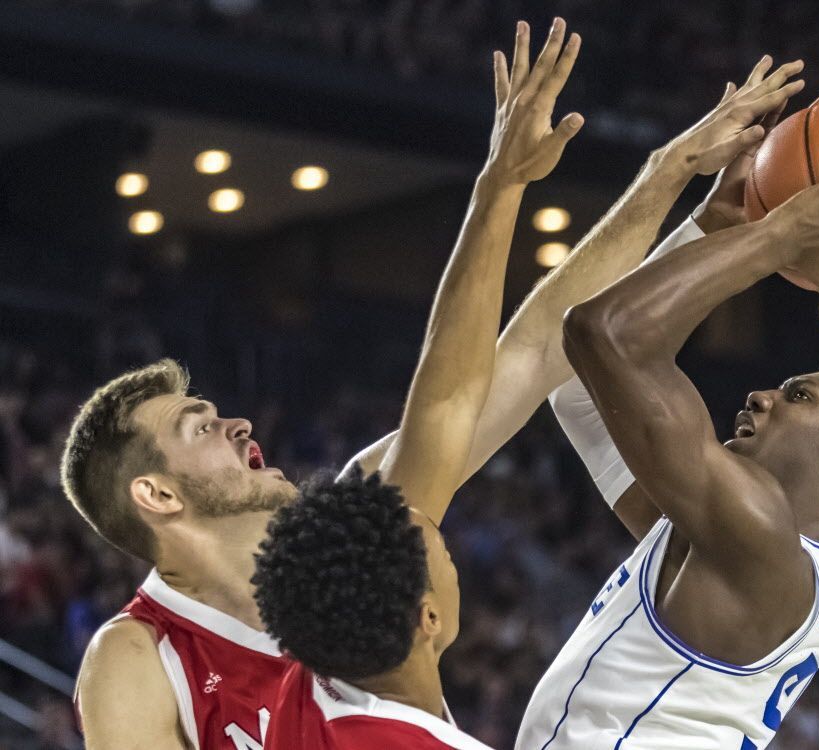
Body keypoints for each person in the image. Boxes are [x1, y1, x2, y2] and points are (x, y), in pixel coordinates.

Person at [254, 53, 814, 750]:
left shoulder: (317, 663)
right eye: (438, 543)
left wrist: (682, 191)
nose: (439, 519)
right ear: (427, 619)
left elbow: (519, 367)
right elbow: (508, 372)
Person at [62, 18, 586, 747]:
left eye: (218, 413)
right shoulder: (137, 656)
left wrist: (695, 203)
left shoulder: (350, 537)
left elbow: (529, 357)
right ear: (156, 494)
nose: (238, 424)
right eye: (200, 428)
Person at [514, 137, 819, 749]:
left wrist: (779, 235)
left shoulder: (757, 534)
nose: (762, 397)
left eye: (798, 398)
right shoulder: (735, 536)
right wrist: (720, 223)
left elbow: (601, 331)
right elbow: (579, 394)